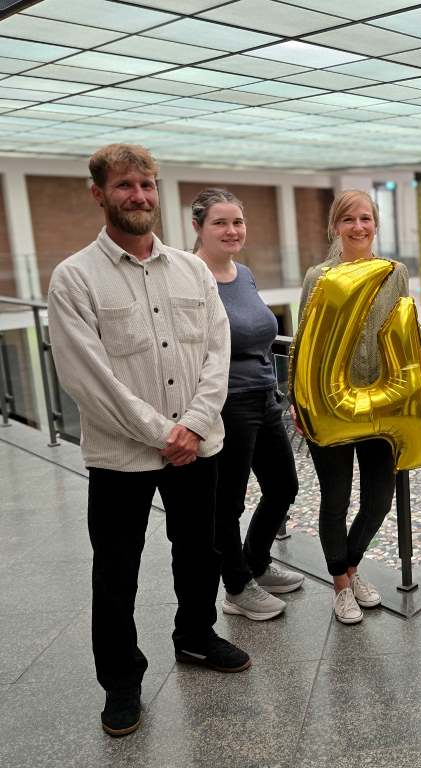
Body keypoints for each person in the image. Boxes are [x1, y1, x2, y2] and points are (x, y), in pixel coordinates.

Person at [46, 145, 250, 739]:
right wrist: (167, 433)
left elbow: (218, 351)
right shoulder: (75, 277)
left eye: (147, 185)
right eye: (125, 186)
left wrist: (196, 421)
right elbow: (88, 378)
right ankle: (121, 682)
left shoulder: (191, 270)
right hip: (122, 454)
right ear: (99, 194)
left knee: (200, 550)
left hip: (197, 441)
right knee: (116, 571)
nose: (138, 196)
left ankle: (194, 636)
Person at [291, 190, 421, 624]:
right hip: (330, 406)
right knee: (335, 500)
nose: (358, 227)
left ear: (374, 223)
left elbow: (408, 326)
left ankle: (352, 567)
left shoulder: (393, 272)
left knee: (379, 499)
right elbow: (304, 342)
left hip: (384, 405)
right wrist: (297, 401)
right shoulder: (318, 276)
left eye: (365, 218)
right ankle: (341, 586)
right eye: (349, 220)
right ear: (335, 227)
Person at [191, 188, 303, 622]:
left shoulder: (245, 274)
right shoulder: (191, 275)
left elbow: (259, 335)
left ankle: (255, 563)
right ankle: (236, 588)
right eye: (220, 222)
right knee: (229, 503)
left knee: (283, 486)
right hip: (225, 403)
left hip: (262, 395)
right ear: (198, 227)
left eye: (237, 222)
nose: (232, 230)